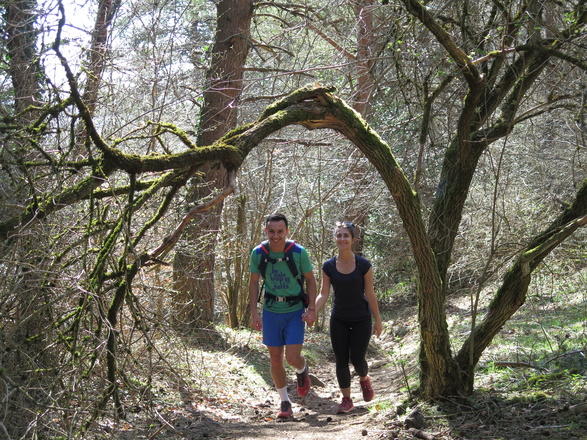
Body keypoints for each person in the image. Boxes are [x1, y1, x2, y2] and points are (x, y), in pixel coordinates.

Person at [249, 213, 317, 419]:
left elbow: (311, 280)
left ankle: (302, 369)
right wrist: (254, 312)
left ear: (287, 231)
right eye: (271, 231)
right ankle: (285, 402)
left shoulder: (298, 252)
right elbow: (253, 282)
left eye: (280, 231)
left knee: (292, 357)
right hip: (271, 311)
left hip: (295, 311)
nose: (276, 236)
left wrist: (312, 309)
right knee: (275, 358)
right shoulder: (258, 253)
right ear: (266, 231)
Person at [314, 221, 383, 414]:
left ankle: (364, 379)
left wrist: (378, 319)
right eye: (339, 235)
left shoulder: (364, 265)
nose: (342, 239)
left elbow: (370, 294)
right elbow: (323, 293)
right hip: (339, 319)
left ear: (353, 239)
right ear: (335, 238)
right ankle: (346, 399)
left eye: (346, 235)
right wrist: (312, 311)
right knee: (341, 359)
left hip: (361, 318)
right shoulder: (328, 266)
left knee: (357, 358)